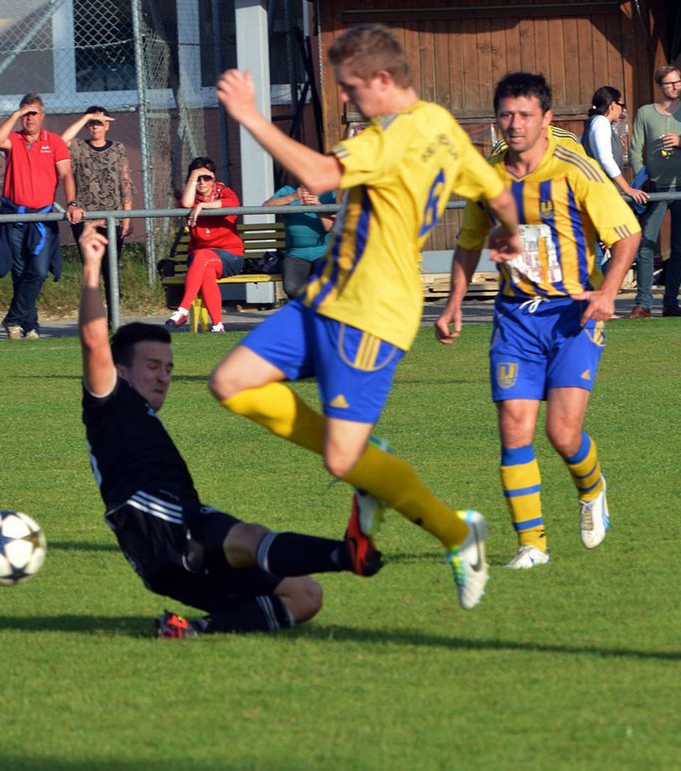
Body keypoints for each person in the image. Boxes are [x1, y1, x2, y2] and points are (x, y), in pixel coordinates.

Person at [210, 24, 523, 610]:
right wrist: (510, 233)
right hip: (324, 298)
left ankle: (461, 534)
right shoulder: (440, 125)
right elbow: (497, 191)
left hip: (371, 317)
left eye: (352, 89)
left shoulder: (395, 138)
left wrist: (250, 115)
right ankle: (364, 457)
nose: (348, 100)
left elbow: (320, 176)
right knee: (230, 382)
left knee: (341, 459)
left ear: (383, 79)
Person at [77, 222, 381, 638]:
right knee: (247, 538)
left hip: (179, 531)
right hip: (154, 525)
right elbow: (95, 339)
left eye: (168, 368)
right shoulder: (108, 403)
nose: (163, 377)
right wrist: (92, 266)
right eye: (152, 366)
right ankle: (347, 554)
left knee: (305, 596)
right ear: (120, 370)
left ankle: (192, 630)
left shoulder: (142, 413)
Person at [436, 72, 641, 569]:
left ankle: (592, 488)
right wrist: (454, 302)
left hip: (573, 314)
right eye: (506, 114)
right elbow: (468, 243)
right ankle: (533, 546)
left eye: (525, 114)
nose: (515, 124)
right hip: (514, 318)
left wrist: (608, 293)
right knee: (514, 429)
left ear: (547, 118)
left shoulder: (574, 167)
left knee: (563, 434)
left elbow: (628, 234)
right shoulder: (489, 175)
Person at [0, 93, 83, 341]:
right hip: (14, 218)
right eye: (26, 113)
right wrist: (15, 114)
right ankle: (29, 326)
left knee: (39, 271)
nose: (30, 118)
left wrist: (72, 203)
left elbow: (65, 175)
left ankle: (13, 317)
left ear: (43, 116)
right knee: (19, 273)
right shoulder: (13, 139)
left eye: (34, 113)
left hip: (41, 218)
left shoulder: (54, 142)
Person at [628, 65, 681, 318]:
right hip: (656, 189)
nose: (676, 86)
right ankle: (643, 303)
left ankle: (671, 302)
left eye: (679, 82)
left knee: (678, 247)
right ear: (660, 86)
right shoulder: (645, 113)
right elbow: (635, 150)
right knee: (645, 244)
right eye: (670, 83)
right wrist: (644, 180)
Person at [61, 106, 133, 313]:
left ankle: (113, 318)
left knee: (111, 272)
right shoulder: (78, 146)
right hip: (86, 219)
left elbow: (125, 182)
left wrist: (126, 217)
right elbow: (62, 141)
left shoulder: (118, 148)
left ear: (107, 125)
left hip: (113, 218)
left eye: (99, 123)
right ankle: (93, 316)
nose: (95, 127)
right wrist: (85, 117)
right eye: (92, 123)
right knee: (91, 270)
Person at [164, 158, 245, 333]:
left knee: (202, 257)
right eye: (197, 178)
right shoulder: (191, 198)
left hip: (229, 256)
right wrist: (194, 178)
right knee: (205, 268)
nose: (202, 182)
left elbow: (233, 203)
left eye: (206, 177)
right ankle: (218, 325)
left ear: (213, 178)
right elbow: (185, 204)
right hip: (202, 260)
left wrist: (203, 206)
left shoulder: (224, 192)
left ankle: (183, 309)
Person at [263, 182, 337, 299]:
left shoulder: (329, 193)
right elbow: (266, 207)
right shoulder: (289, 190)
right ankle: (304, 310)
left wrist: (319, 207)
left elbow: (331, 227)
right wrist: (293, 197)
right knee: (292, 288)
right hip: (296, 253)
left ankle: (320, 311)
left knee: (327, 285)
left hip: (323, 252)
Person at [581, 87, 648, 206]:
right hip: (601, 190)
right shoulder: (601, 122)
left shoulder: (592, 123)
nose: (623, 110)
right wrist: (628, 189)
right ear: (612, 105)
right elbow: (605, 159)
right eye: (622, 105)